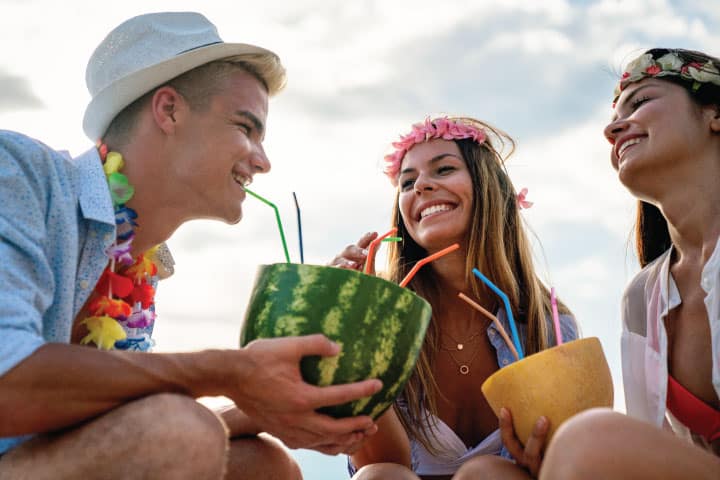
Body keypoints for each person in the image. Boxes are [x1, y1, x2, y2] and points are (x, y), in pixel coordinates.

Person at [0, 11, 383, 479]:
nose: (262, 161)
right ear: (169, 111)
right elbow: (8, 382)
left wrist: (260, 406)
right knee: (180, 431)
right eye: (246, 128)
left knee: (263, 465)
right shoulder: (19, 172)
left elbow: (112, 428)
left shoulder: (141, 262)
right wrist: (230, 371)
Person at [331, 116, 577, 479]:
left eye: (443, 169)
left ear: (488, 188)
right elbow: (379, 464)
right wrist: (350, 338)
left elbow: (566, 463)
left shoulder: (547, 326)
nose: (421, 187)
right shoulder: (381, 317)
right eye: (407, 181)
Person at [540, 48, 720, 479]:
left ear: (714, 115)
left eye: (641, 102)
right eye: (616, 112)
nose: (612, 128)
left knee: (590, 440)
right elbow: (656, 444)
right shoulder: (642, 297)